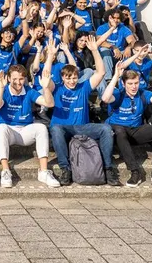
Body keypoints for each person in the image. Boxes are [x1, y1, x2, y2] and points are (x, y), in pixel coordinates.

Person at [48, 36, 121, 186]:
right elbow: (45, 77)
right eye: (68, 78)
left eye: (74, 77)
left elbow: (100, 73)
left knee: (106, 129)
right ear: (63, 78)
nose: (72, 81)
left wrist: (95, 51)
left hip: (82, 127)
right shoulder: (57, 88)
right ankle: (65, 169)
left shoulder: (84, 87)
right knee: (55, 129)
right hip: (63, 128)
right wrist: (49, 57)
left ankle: (108, 168)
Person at [100, 62, 152, 188]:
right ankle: (135, 171)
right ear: (124, 84)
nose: (134, 87)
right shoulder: (119, 94)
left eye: (136, 83)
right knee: (119, 130)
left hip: (135, 130)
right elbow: (105, 99)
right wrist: (115, 76)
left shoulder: (143, 94)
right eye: (130, 84)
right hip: (116, 132)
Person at [0, 53, 60, 189]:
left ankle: (44, 171)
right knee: (0, 128)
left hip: (25, 131)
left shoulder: (29, 91)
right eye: (15, 79)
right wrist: (0, 88)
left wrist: (46, 88)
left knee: (41, 127)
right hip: (9, 131)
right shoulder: (4, 90)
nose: (18, 82)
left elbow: (49, 103)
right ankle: (5, 171)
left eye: (21, 79)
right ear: (8, 78)